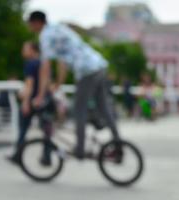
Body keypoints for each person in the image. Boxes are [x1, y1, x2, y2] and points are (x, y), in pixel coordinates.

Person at [27, 11, 119, 159]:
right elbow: (62, 62)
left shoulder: (45, 36)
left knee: (79, 109)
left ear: (37, 22)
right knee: (104, 108)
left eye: (30, 24)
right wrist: (58, 83)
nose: (30, 27)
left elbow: (45, 68)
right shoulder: (59, 28)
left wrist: (40, 95)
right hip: (98, 65)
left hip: (86, 70)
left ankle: (80, 149)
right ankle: (118, 144)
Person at [7, 41, 55, 166]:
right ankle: (47, 157)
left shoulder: (31, 64)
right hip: (47, 100)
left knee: (23, 128)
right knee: (47, 130)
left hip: (34, 101)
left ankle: (18, 154)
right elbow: (49, 83)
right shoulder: (44, 63)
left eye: (25, 49)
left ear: (33, 50)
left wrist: (25, 102)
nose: (23, 51)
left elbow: (30, 84)